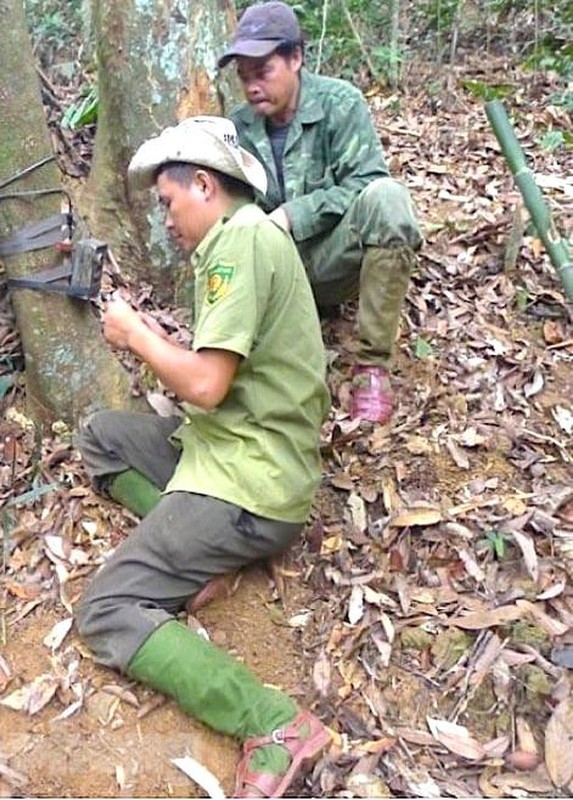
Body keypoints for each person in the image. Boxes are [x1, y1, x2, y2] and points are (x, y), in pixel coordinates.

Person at [75, 117, 332, 798]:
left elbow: (205, 385)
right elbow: (219, 371)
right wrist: (166, 341)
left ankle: (272, 722)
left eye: (167, 201)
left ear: (203, 183)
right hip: (231, 456)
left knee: (106, 609)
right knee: (101, 436)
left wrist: (134, 337)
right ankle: (196, 560)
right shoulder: (246, 239)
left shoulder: (236, 243)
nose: (165, 218)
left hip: (247, 484)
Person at [219, 1, 423, 425]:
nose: (253, 86)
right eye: (244, 76)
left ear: (296, 58)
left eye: (264, 72)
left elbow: (364, 181)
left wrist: (295, 214)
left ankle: (371, 370)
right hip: (275, 275)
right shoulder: (234, 128)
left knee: (388, 199)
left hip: (333, 260)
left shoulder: (340, 104)